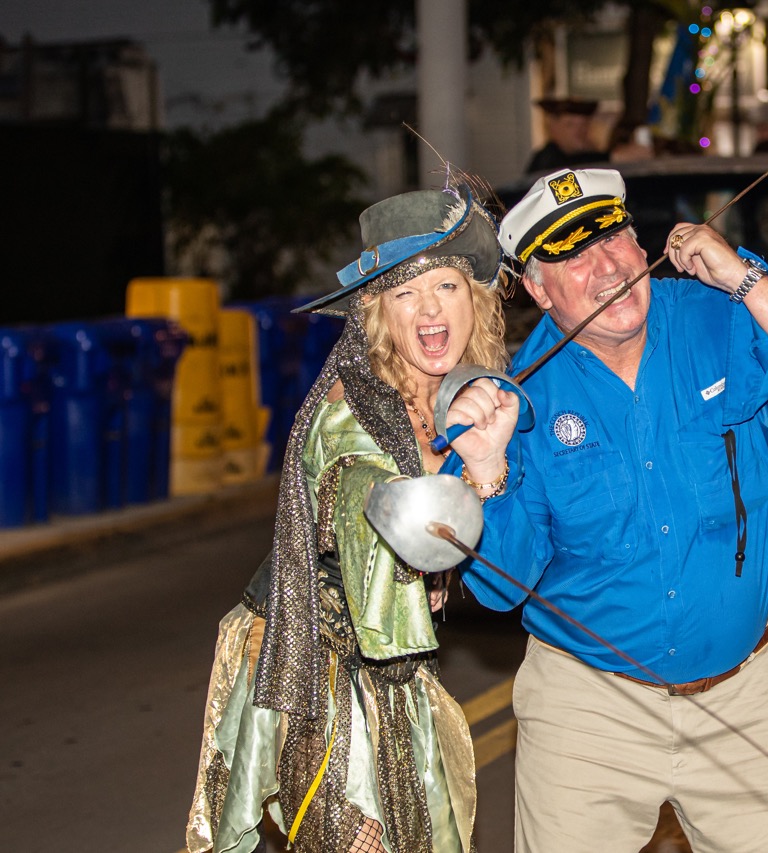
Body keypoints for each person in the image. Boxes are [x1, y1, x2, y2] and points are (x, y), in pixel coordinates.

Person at [451, 167, 768, 851]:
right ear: (535, 286)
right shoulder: (515, 398)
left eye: (611, 235)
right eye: (571, 254)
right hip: (589, 713)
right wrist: (487, 468)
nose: (607, 265)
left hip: (746, 694)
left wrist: (744, 276)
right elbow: (501, 587)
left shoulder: (718, 315)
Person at [185, 179, 516, 853]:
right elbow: (401, 524)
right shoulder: (350, 408)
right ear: (377, 312)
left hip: (388, 666)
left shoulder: (452, 389)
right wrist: (482, 470)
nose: (429, 310)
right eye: (405, 293)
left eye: (446, 286)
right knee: (355, 835)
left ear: (473, 298)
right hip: (315, 671)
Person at [525, 97, 610, 174]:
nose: (579, 131)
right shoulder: (546, 161)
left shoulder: (594, 157)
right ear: (553, 127)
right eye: (570, 125)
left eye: (584, 124)